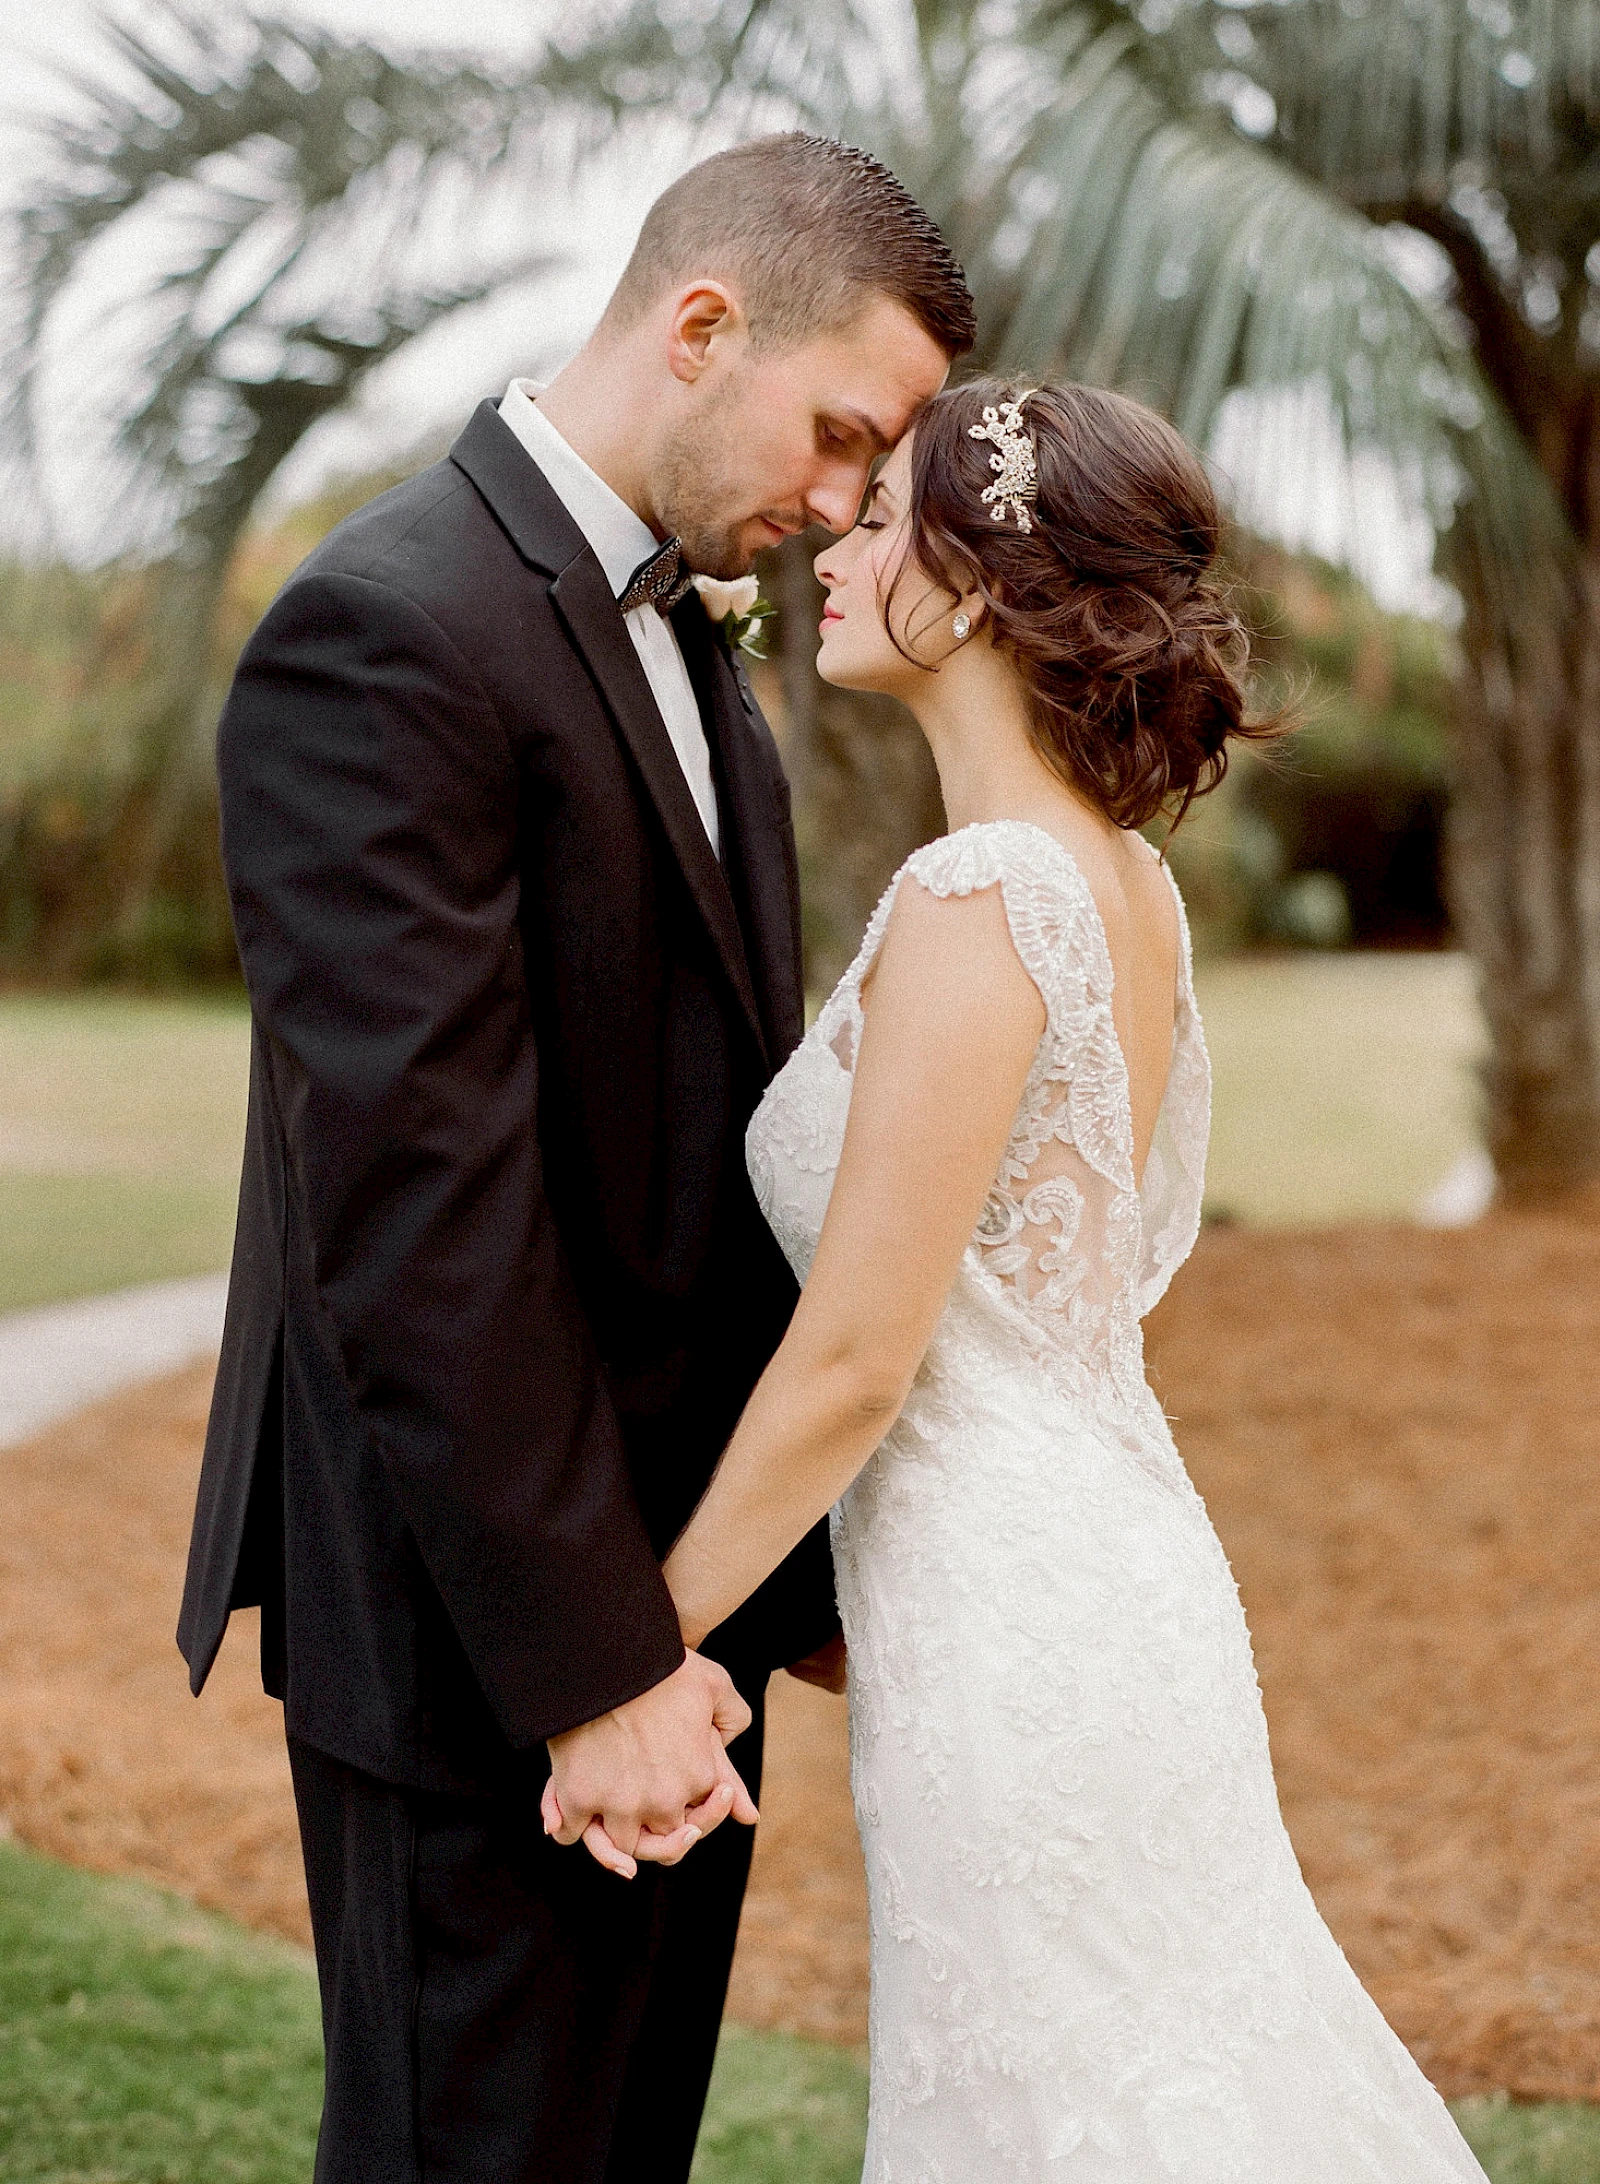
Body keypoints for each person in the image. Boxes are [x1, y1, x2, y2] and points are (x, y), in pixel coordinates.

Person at [176, 133, 972, 2183]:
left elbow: (701, 1160)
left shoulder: (696, 645)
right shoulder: (382, 630)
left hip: (673, 1638)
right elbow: (420, 1214)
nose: (846, 503)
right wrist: (597, 1668)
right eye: (840, 432)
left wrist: (753, 1605)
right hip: (489, 1653)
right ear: (703, 325)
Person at [651, 381, 1493, 2179]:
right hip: (1096, 1579)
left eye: (887, 515)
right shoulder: (1120, 883)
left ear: (977, 586)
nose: (837, 545)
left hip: (1012, 1622)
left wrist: (640, 1641)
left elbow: (859, 1358)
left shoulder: (984, 897)